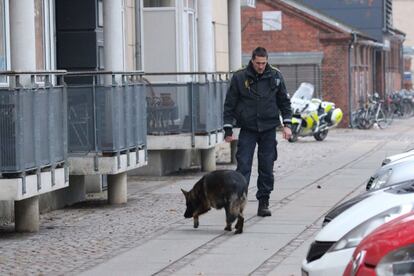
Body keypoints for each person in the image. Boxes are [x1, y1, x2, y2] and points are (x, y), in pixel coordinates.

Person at [223, 47, 292, 217]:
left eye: (264, 63)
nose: (261, 66)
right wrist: (228, 128)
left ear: (267, 60)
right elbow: (230, 103)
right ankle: (238, 202)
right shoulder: (240, 77)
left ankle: (264, 201)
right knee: (243, 166)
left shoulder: (275, 76)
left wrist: (287, 124)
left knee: (266, 166)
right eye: (258, 63)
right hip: (248, 128)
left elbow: (284, 102)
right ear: (252, 60)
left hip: (268, 128)